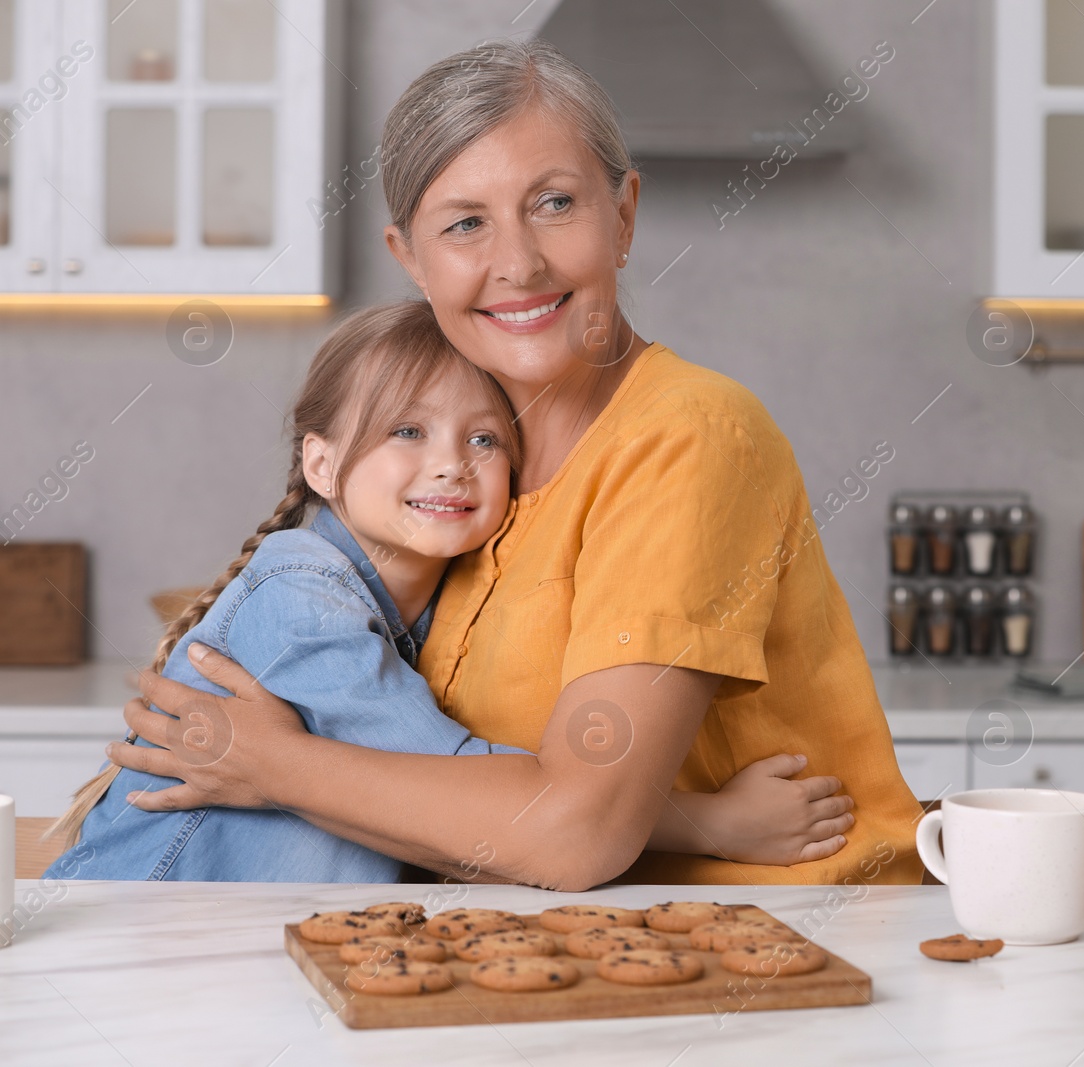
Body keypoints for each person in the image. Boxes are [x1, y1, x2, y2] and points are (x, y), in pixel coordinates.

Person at [109, 37, 924, 890]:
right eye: (466, 223)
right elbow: (471, 792)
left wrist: (269, 765)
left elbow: (574, 833)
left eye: (555, 203)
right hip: (555, 964)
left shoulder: (688, 435)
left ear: (624, 216)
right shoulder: (465, 496)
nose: (519, 262)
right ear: (411, 261)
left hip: (782, 956)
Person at [46, 303, 849, 880]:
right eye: (407, 430)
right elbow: (469, 791)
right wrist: (711, 822)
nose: (450, 463)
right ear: (321, 465)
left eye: (484, 437)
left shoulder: (432, 608)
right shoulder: (301, 603)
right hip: (143, 948)